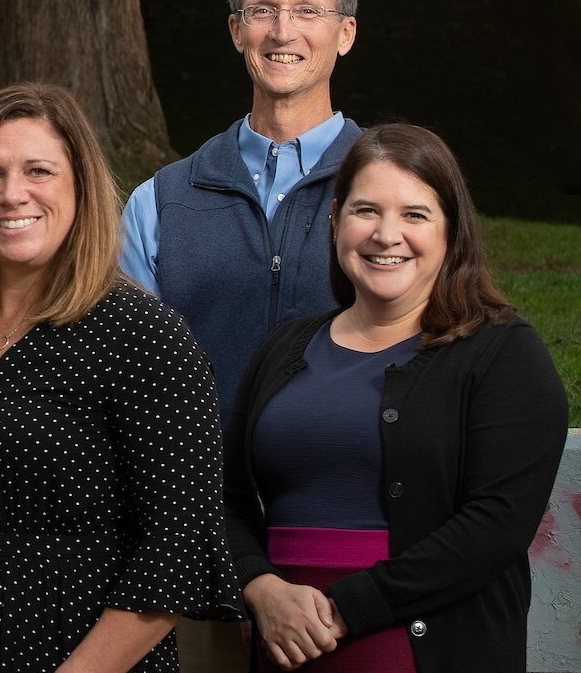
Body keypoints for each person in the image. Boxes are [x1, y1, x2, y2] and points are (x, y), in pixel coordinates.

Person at [0, 83, 232, 672]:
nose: (11, 194)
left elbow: (179, 547)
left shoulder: (141, 338)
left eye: (38, 170)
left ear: (80, 186)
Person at [223, 124, 566, 673]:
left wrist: (350, 608)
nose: (386, 235)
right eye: (365, 211)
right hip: (285, 646)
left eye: (414, 214)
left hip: (418, 646)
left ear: (452, 229)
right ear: (336, 219)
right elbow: (225, 496)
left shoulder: (503, 354)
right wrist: (260, 586)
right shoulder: (284, 348)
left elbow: (496, 526)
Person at [122, 0, 366, 417]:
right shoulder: (159, 204)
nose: (282, 31)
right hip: (196, 485)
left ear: (345, 33)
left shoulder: (398, 196)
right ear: (237, 31)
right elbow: (124, 372)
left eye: (307, 10)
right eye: (263, 10)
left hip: (343, 485)